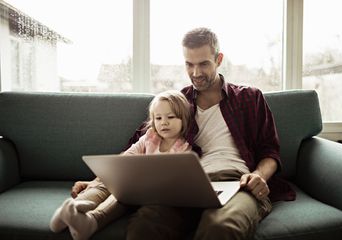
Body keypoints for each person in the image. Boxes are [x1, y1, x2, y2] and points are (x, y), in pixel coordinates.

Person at [72, 27, 296, 240]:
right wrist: (98, 182)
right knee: (145, 224)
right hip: (183, 188)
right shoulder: (178, 102)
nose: (196, 73)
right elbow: (137, 148)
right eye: (189, 64)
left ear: (219, 60)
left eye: (203, 64)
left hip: (237, 184)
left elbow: (270, 149)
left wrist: (258, 175)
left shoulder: (249, 97)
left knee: (220, 227)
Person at [49, 90, 193, 240]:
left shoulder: (183, 148)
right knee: (105, 183)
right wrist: (109, 175)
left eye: (170, 117)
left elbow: (172, 179)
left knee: (125, 190)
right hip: (132, 180)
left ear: (183, 119)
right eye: (158, 118)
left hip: (148, 193)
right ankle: (69, 211)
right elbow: (127, 156)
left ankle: (92, 220)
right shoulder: (150, 137)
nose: (164, 122)